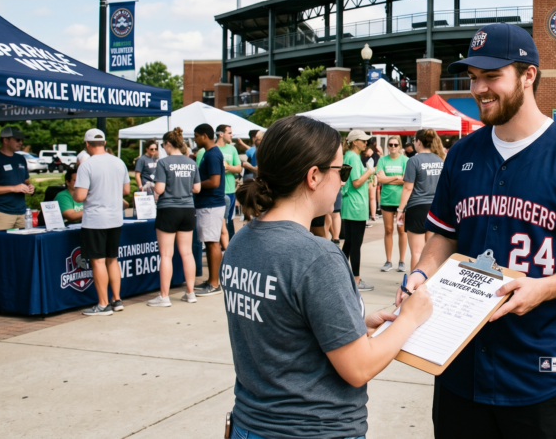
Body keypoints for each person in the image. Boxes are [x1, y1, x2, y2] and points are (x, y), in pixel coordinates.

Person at [398, 23, 556, 439]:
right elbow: (444, 235)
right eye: (472, 78)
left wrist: (545, 287)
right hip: (459, 365)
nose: (479, 88)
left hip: (540, 372)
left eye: (492, 76)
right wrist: (419, 273)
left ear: (528, 75)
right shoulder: (462, 154)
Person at [223, 115, 433, 439]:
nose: (343, 181)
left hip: (249, 423)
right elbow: (358, 368)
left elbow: (280, 326)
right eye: (341, 171)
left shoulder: (241, 241)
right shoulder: (317, 257)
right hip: (313, 428)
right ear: (313, 176)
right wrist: (410, 318)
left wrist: (353, 325)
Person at [73, 128, 130, 316]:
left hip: (95, 220)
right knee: (113, 260)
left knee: (98, 261)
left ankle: (103, 304)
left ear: (87, 144)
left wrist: (76, 192)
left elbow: (80, 196)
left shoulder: (87, 165)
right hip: (115, 218)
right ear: (104, 143)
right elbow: (126, 191)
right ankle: (116, 299)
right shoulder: (119, 162)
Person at [147, 128, 201, 307]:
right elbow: (197, 189)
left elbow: (160, 189)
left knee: (166, 255)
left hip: (168, 209)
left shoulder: (163, 163)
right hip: (187, 209)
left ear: (168, 144)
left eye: (163, 145)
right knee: (187, 253)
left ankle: (164, 296)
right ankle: (191, 293)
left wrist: (155, 186)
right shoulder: (191, 162)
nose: (162, 148)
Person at [395, 128, 445, 271]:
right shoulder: (440, 159)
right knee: (430, 254)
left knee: (417, 252)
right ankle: (427, 285)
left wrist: (400, 210)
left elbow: (408, 188)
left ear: (418, 142)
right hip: (435, 209)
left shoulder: (414, 160)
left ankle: (413, 287)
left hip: (416, 208)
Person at [193, 124, 226, 297]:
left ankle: (214, 283)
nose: (195, 139)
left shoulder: (212, 154)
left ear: (205, 136)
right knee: (209, 241)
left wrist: (195, 185)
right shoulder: (209, 153)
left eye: (196, 136)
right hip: (208, 204)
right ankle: (211, 279)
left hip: (211, 204)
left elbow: (214, 182)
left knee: (212, 242)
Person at [0, 126, 34, 231]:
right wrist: (13, 188)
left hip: (21, 213)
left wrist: (30, 187)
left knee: (22, 247)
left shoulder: (21, 159)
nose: (21, 142)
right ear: (5, 140)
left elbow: (26, 180)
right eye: (18, 140)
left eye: (22, 140)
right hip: (0, 213)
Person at [343, 129, 377, 291]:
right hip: (357, 205)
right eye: (363, 141)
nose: (366, 143)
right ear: (354, 142)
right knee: (355, 244)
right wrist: (369, 171)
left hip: (350, 204)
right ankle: (356, 280)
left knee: (349, 243)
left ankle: (341, 274)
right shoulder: (354, 158)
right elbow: (356, 182)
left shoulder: (349, 156)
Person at [376, 136, 409, 273]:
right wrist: (397, 177)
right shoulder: (382, 160)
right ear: (388, 146)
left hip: (401, 201)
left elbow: (406, 180)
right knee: (388, 230)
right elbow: (380, 179)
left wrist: (388, 179)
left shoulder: (405, 160)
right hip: (386, 200)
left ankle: (401, 261)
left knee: (401, 230)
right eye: (390, 144)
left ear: (400, 146)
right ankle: (388, 261)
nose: (393, 147)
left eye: (395, 144)